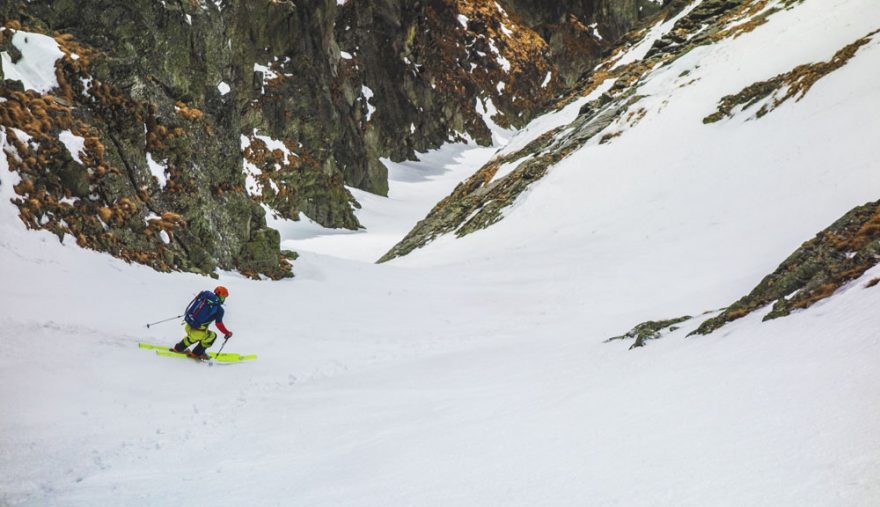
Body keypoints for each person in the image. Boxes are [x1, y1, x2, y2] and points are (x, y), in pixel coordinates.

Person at [171, 286, 234, 360]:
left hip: (188, 326)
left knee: (193, 337)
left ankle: (178, 348)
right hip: (198, 332)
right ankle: (196, 354)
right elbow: (219, 324)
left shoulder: (204, 299)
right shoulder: (219, 309)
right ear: (221, 297)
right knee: (212, 336)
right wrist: (227, 333)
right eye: (224, 297)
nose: (224, 299)